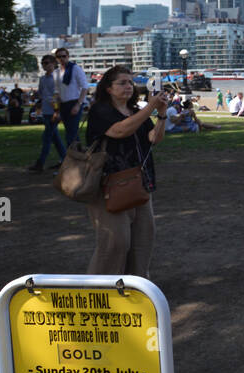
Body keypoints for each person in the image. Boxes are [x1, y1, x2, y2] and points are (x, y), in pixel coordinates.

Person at [84, 66, 169, 276]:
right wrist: (150, 107)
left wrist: (163, 115)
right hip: (110, 184)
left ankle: (137, 288)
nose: (128, 86)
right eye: (122, 82)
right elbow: (120, 130)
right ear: (108, 88)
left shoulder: (135, 112)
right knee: (115, 243)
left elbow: (153, 138)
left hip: (140, 182)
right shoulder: (100, 111)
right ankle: (99, 293)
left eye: (130, 82)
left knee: (143, 241)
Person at [27, 55, 66, 171]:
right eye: (43, 63)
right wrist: (35, 97)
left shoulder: (58, 78)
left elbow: (59, 95)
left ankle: (40, 163)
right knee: (54, 137)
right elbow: (41, 92)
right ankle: (65, 159)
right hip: (46, 111)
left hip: (54, 111)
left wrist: (57, 111)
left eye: (47, 62)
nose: (45, 65)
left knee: (47, 137)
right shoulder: (43, 79)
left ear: (54, 63)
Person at [54, 48, 89, 148]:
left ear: (68, 57)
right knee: (70, 132)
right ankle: (76, 156)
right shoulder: (56, 72)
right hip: (63, 104)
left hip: (74, 102)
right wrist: (57, 109)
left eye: (64, 56)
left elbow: (85, 87)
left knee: (72, 133)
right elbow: (56, 92)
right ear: (56, 59)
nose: (61, 58)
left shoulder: (75, 69)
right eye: (59, 57)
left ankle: (72, 157)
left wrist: (78, 104)